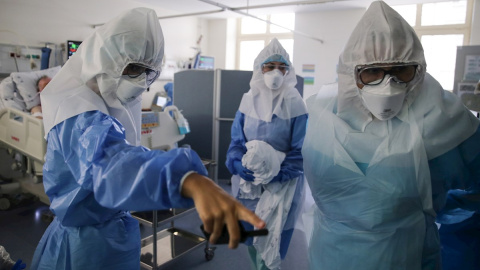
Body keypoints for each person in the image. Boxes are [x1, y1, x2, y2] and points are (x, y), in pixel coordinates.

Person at [31, 7, 264, 270]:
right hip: (83, 247)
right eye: (133, 68)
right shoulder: (76, 111)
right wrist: (186, 179)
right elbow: (110, 166)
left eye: (147, 72)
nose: (140, 81)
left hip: (111, 234)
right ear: (104, 59)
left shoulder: (105, 104)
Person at [302, 1, 480, 269]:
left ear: (418, 71)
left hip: (403, 256)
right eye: (372, 72)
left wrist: (432, 212)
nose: (388, 85)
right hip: (330, 254)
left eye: (400, 71)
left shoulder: (443, 121)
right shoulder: (322, 117)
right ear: (351, 74)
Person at [226, 38, 308, 270]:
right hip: (249, 184)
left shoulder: (296, 104)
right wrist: (235, 163)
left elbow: (301, 150)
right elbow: (236, 141)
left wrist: (278, 174)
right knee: (254, 237)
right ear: (259, 69)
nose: (275, 73)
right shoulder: (247, 101)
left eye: (281, 67)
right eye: (269, 66)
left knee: (276, 238)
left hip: (283, 186)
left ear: (288, 71)